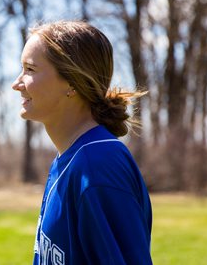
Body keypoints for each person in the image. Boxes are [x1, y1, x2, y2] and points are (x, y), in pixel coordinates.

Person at [11, 20, 153, 265]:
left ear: (71, 82)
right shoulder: (71, 155)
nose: (17, 83)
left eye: (30, 69)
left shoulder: (97, 166)